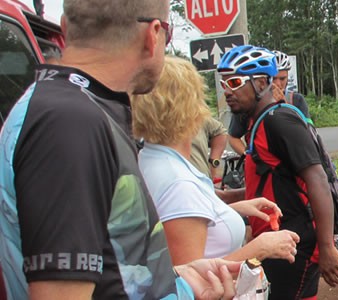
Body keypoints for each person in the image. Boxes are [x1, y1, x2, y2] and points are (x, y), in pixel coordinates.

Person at [0, 0, 238, 299]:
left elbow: (110, 270)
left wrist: (178, 282)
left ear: (65, 27)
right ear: (153, 35)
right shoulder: (71, 122)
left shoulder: (73, 107)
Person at [132, 56, 301, 266]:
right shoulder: (178, 183)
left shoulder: (151, 159)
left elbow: (182, 223)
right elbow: (188, 280)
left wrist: (230, 210)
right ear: (190, 108)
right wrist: (259, 248)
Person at [214, 45, 338, 299]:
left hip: (295, 242)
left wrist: (327, 246)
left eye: (234, 82)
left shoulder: (278, 122)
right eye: (224, 84)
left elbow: (317, 179)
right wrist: (230, 197)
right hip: (278, 239)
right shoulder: (260, 120)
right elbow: (274, 181)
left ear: (262, 82)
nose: (227, 91)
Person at [226, 49, 310, 154]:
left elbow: (308, 134)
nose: (278, 84)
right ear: (264, 80)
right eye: (274, 79)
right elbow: (233, 137)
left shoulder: (296, 100)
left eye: (282, 79)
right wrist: (249, 157)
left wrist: (284, 106)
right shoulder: (249, 103)